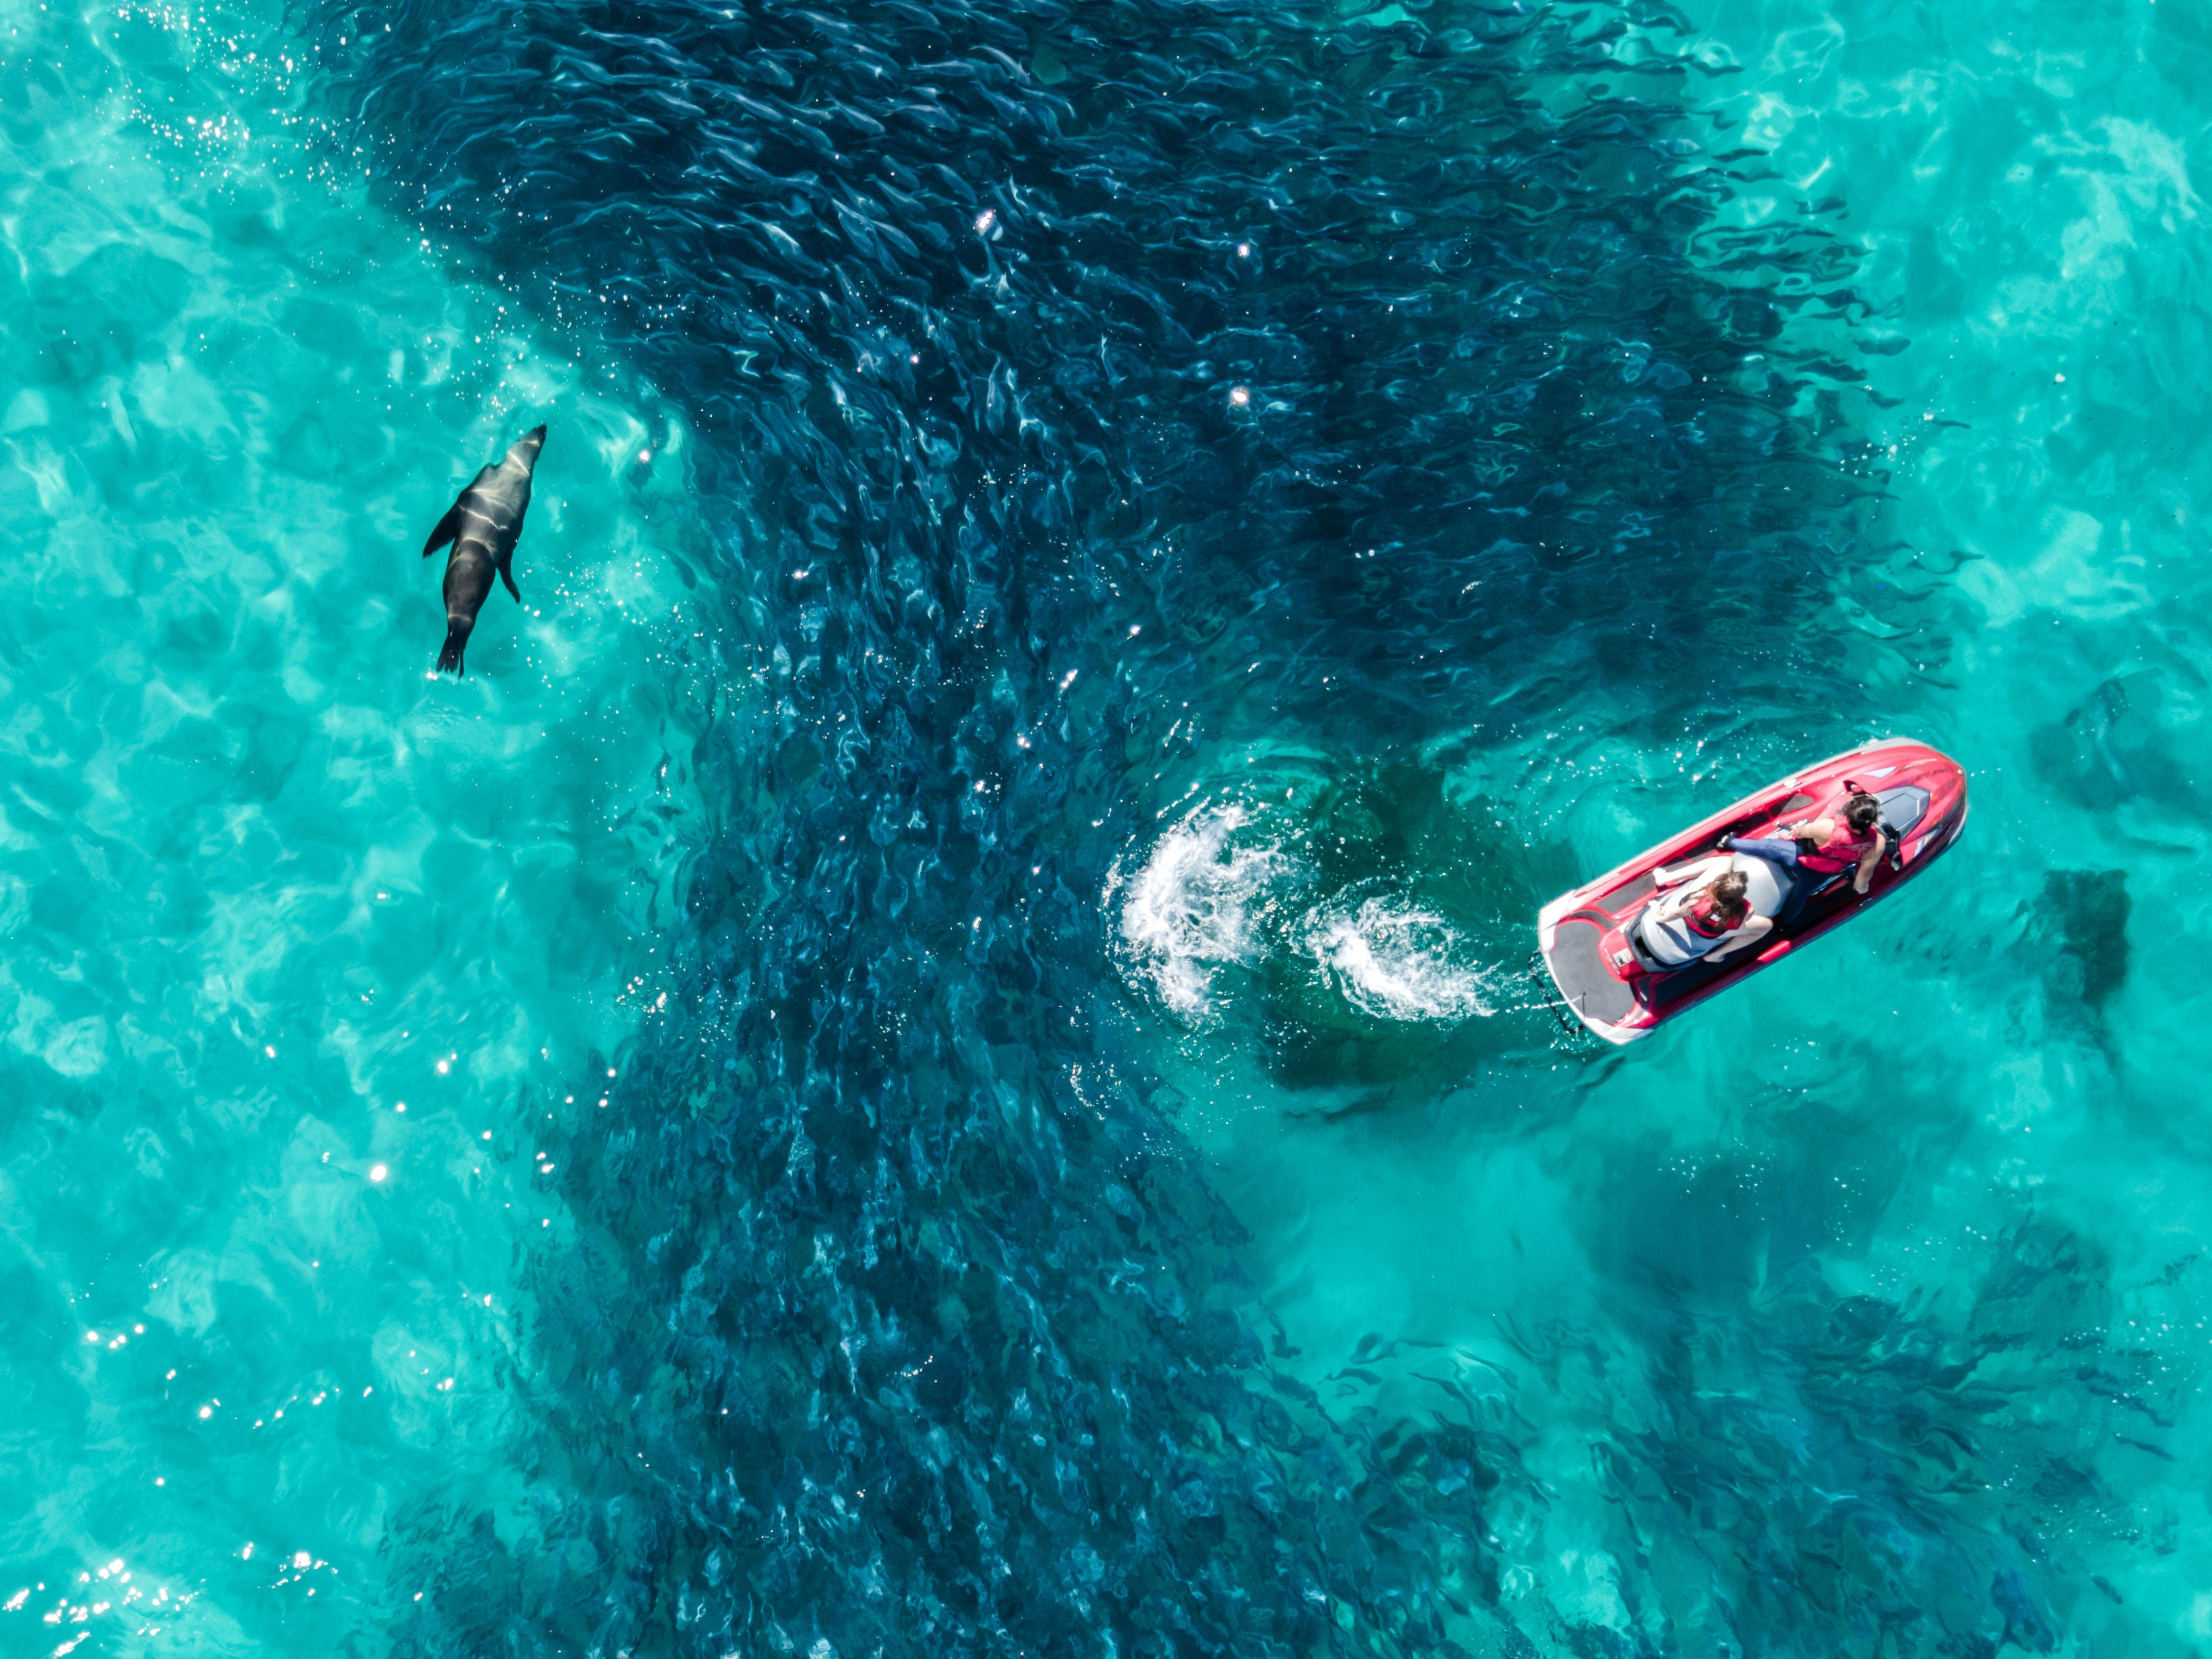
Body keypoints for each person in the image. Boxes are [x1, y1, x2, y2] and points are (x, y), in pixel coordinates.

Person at [1723, 789, 1887, 928]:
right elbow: (1865, 874)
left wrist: (1796, 830)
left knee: (1768, 847)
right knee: (1800, 897)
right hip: (1820, 874)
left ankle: (1728, 842)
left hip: (1799, 857)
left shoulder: (1827, 828)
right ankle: (1782, 926)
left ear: (1849, 814)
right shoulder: (1878, 844)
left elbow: (1801, 832)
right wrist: (1862, 888)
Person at [1634, 862, 1770, 968]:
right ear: (1739, 898)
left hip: (1692, 920)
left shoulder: (1698, 899)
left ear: (1719, 886)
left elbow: (1678, 913)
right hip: (1714, 933)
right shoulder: (1747, 909)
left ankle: (1666, 877)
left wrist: (1660, 918)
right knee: (1767, 926)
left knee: (1725, 862)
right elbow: (1741, 924)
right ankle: (1717, 955)